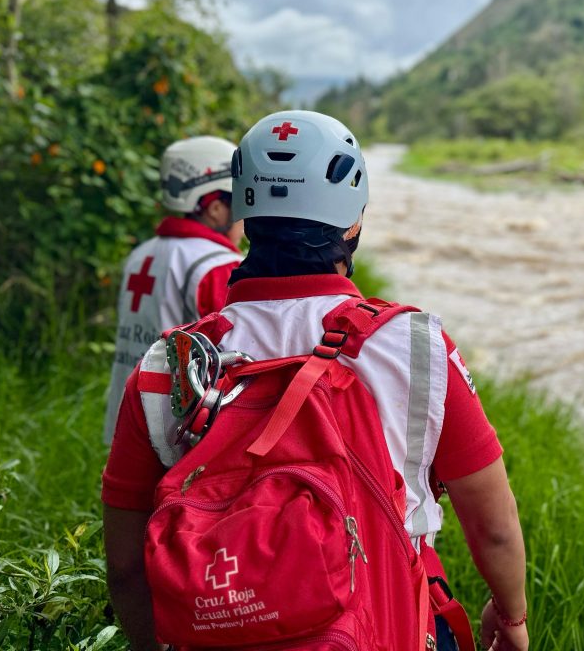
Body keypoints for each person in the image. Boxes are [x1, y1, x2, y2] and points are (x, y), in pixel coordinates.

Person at [101, 111, 529, 651]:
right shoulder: (415, 345)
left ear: (244, 213)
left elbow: (125, 565)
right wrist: (511, 618)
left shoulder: (168, 364)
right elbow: (491, 523)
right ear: (352, 223)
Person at [102, 135, 244, 445]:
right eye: (241, 204)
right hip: (181, 429)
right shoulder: (218, 265)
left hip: (130, 417)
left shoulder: (143, 253)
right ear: (217, 208)